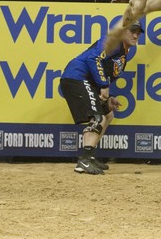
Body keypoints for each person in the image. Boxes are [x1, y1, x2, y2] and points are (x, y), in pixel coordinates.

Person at [60, 21, 144, 175]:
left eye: (138, 32)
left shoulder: (123, 52)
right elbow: (94, 59)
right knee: (98, 118)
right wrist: (104, 86)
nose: (135, 35)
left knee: (108, 114)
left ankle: (89, 156)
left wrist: (108, 95)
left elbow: (103, 70)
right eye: (132, 31)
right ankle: (83, 161)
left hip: (86, 80)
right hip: (76, 77)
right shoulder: (113, 42)